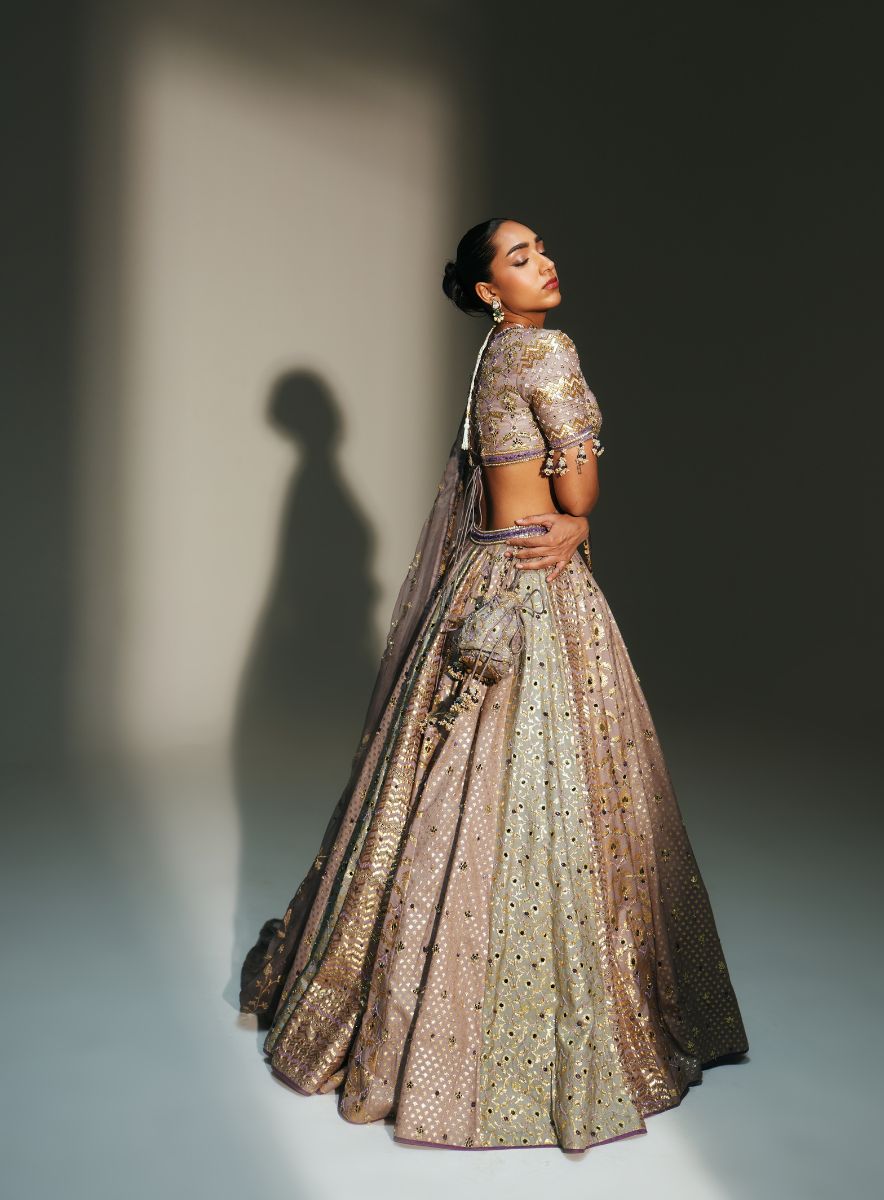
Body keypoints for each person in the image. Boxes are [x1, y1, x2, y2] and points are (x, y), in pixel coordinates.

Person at [239, 217, 749, 1153]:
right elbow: (578, 494)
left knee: (442, 791)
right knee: (554, 792)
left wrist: (561, 517)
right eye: (519, 258)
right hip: (535, 587)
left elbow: (485, 487)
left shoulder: (490, 355)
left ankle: (393, 1012)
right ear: (487, 290)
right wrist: (579, 518)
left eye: (540, 249)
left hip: (482, 573)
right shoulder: (546, 349)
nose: (542, 263)